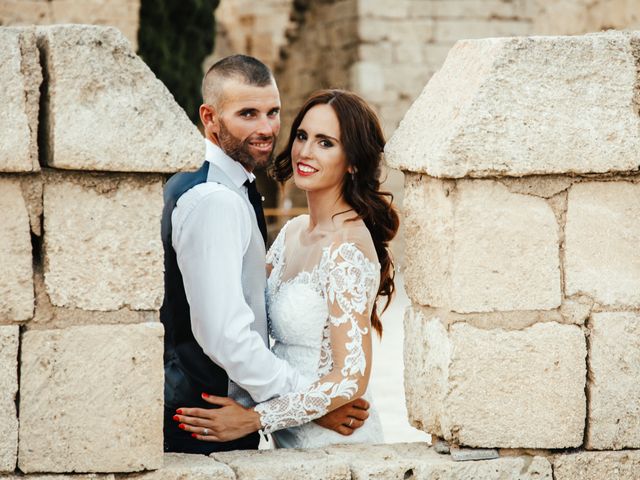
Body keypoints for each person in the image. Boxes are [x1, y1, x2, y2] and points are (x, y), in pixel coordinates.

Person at [161, 57, 369, 454]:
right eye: (248, 114)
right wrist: (309, 405)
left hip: (277, 422)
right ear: (210, 117)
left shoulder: (225, 188)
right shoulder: (216, 200)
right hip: (208, 419)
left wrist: (283, 411)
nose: (267, 129)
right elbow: (227, 336)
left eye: (273, 112)